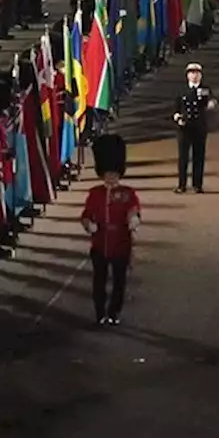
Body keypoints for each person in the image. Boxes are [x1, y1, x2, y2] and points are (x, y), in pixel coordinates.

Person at [79, 133, 141, 326]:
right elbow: (86, 215)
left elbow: (133, 209)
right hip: (100, 243)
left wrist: (134, 219)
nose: (111, 177)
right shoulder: (95, 193)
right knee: (99, 282)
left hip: (121, 243)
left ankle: (114, 312)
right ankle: (100, 312)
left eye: (114, 174)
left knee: (119, 283)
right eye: (108, 174)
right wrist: (89, 225)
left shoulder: (127, 193)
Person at [172, 62, 216, 194]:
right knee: (183, 157)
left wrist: (211, 103)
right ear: (187, 76)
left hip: (199, 126)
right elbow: (176, 108)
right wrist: (178, 118)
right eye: (191, 73)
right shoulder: (181, 90)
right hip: (184, 127)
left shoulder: (205, 89)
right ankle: (182, 184)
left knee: (199, 156)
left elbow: (212, 100)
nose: (194, 76)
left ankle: (197, 184)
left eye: (196, 73)